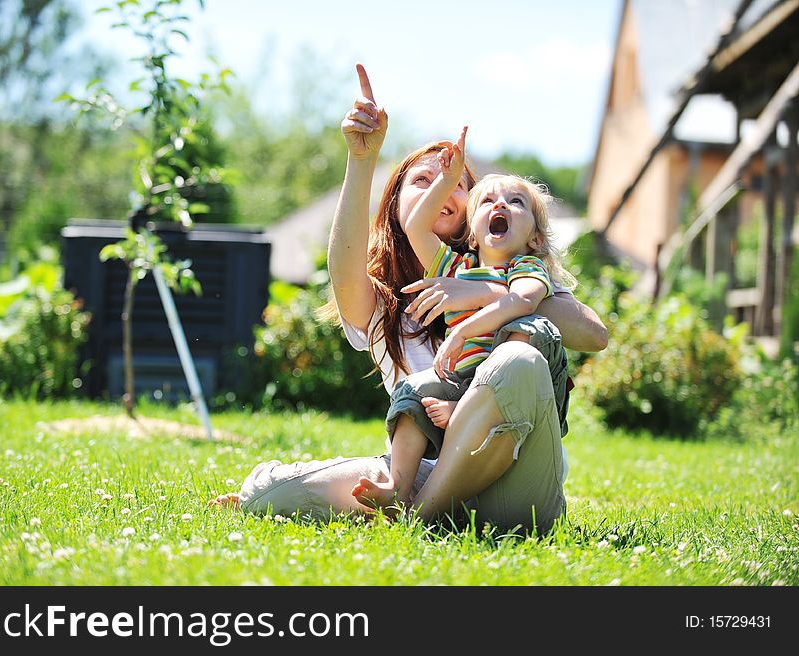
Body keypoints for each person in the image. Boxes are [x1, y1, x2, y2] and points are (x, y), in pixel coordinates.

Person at [212, 64, 608, 535]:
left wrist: (483, 291)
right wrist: (362, 160)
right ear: (397, 205)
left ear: (473, 218)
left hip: (516, 482)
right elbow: (343, 272)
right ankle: (414, 504)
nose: (445, 187)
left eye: (460, 183)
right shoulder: (384, 303)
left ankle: (416, 516)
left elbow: (591, 332)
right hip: (425, 470)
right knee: (268, 497)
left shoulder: (518, 271)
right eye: (425, 179)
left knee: (520, 358)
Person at [351, 124, 577, 511]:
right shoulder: (456, 269)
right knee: (411, 393)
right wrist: (448, 180)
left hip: (499, 384)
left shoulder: (526, 267)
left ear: (536, 238)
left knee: (530, 330)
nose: (500, 206)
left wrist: (463, 330)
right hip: (458, 379)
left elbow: (522, 302)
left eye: (516, 202)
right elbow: (415, 226)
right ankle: (398, 486)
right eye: (487, 200)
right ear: (471, 232)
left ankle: (463, 423)